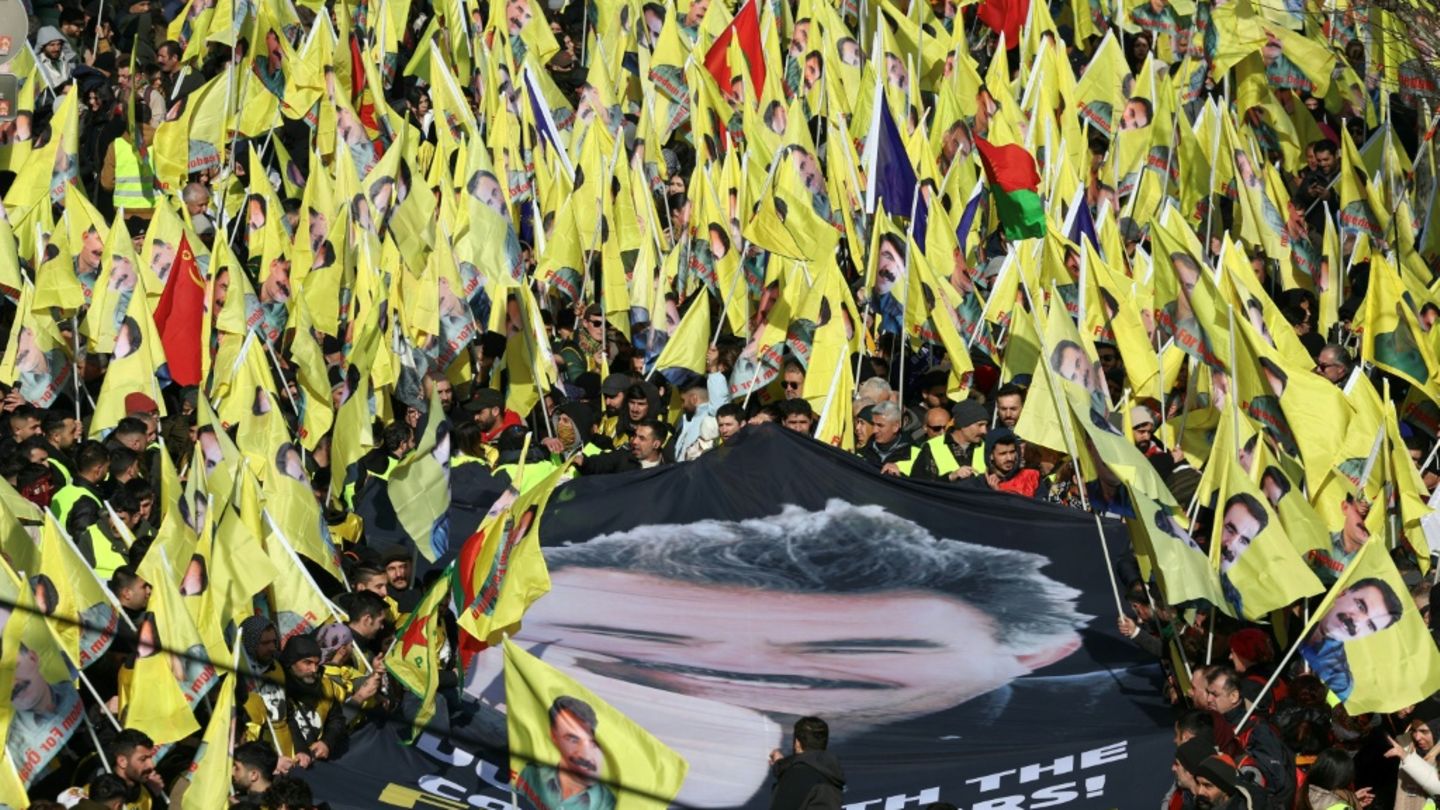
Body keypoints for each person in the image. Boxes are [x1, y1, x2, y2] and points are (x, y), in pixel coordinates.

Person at [1298, 577, 1403, 701]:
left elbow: (1322, 710)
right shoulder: (1299, 613)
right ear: (1342, 593)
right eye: (1360, 606)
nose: (1357, 621)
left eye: (1370, 625)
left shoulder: (1339, 680)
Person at [515, 696, 617, 810]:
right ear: (554, 735)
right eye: (573, 740)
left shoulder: (606, 802)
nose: (583, 752)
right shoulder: (532, 774)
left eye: (590, 743)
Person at [768, 716, 844, 810]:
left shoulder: (796, 777)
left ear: (797, 743)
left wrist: (783, 768)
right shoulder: (831, 773)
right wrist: (780, 764)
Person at [910, 400, 987, 482]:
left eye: (986, 425)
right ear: (962, 424)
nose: (984, 431)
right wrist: (950, 477)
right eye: (980, 425)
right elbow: (919, 484)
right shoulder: (933, 447)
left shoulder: (987, 446)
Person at [858, 401, 912, 473]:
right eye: (873, 424)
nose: (874, 430)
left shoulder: (913, 455)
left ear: (895, 427)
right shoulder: (862, 453)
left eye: (880, 425)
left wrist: (900, 475)